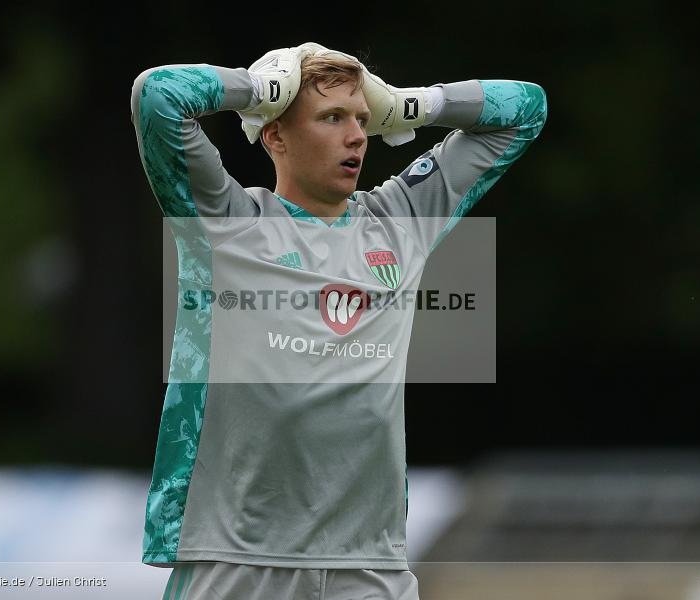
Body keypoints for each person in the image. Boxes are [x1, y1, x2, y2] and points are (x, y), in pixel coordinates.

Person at [130, 42, 547, 600]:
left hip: (371, 566)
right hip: (239, 559)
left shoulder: (400, 222)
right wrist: (255, 91)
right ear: (275, 135)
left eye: (363, 119)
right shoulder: (226, 223)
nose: (357, 136)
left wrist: (414, 105)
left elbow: (526, 109)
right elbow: (158, 97)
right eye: (331, 118)